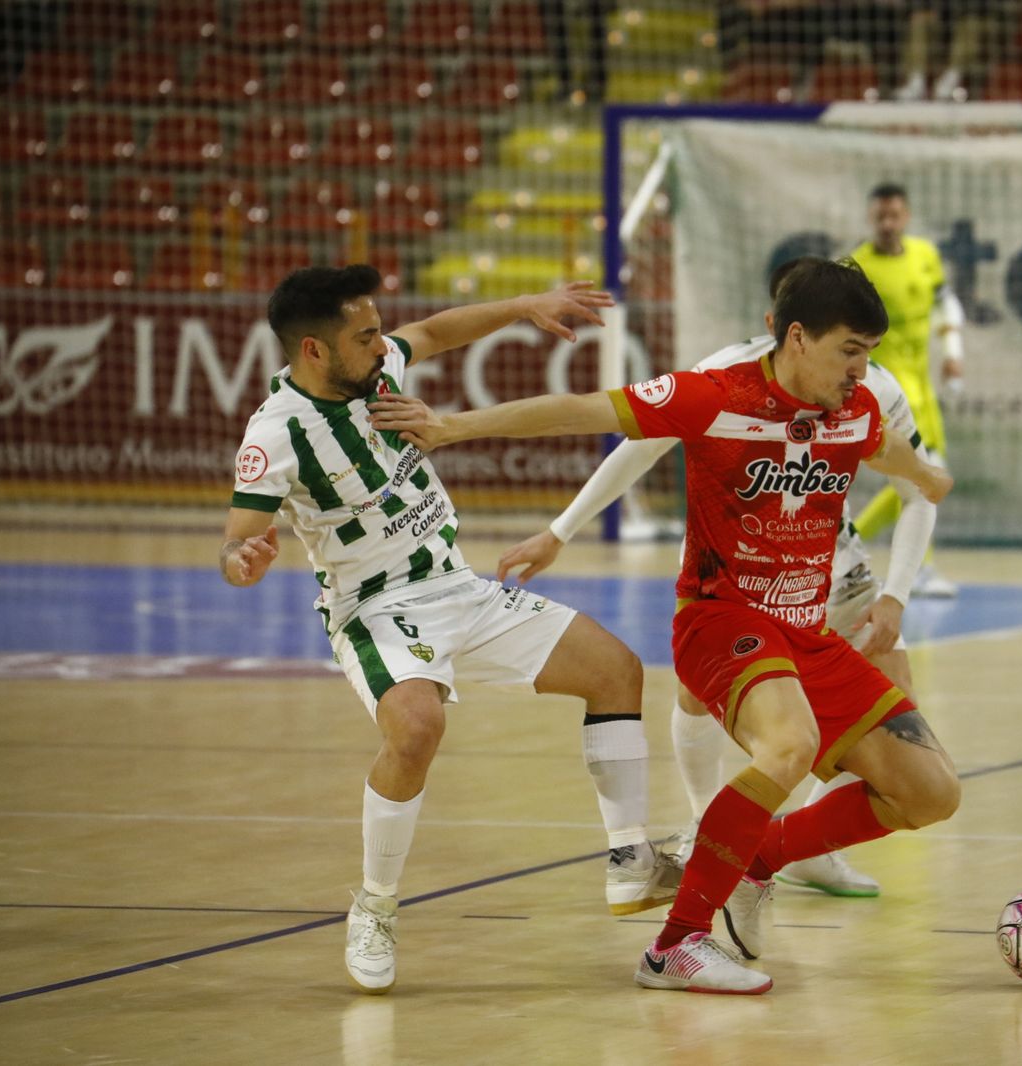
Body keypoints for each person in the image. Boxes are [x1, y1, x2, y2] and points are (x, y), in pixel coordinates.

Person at [369, 258, 961, 995]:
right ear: (799, 337)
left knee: (933, 792)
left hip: (807, 633)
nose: (860, 370)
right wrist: (453, 427)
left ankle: (760, 855)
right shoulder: (715, 394)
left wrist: (927, 479)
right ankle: (674, 947)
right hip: (723, 622)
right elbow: (574, 408)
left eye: (869, 353)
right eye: (851, 350)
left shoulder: (857, 405)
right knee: (790, 744)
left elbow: (887, 450)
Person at [219, 265, 681, 995]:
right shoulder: (275, 436)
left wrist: (528, 304)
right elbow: (237, 541)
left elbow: (434, 331)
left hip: (457, 588)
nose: (383, 345)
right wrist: (245, 558)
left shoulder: (376, 370)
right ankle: (374, 906)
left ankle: (631, 859)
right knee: (416, 728)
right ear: (314, 350)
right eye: (365, 335)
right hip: (376, 609)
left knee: (617, 670)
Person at [493, 256, 940, 899]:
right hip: (737, 579)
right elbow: (640, 444)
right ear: (787, 327)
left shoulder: (868, 387)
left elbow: (919, 490)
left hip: (837, 577)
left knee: (894, 731)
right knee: (699, 696)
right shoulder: (720, 378)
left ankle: (801, 846)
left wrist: (896, 595)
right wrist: (561, 531)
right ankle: (711, 826)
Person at [850, 181, 966, 598]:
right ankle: (847, 545)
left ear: (906, 216)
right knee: (923, 477)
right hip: (881, 387)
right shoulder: (857, 266)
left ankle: (918, 566)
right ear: (870, 218)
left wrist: (952, 351)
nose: (887, 223)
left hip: (921, 387)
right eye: (880, 215)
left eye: (894, 214)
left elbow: (946, 305)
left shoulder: (925, 256)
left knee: (924, 478)